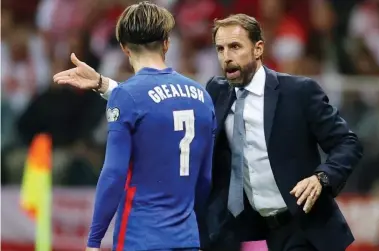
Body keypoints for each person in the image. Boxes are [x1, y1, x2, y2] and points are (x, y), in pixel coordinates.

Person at [54, 13, 363, 251]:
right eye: (220, 48)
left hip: (303, 223)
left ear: (258, 49)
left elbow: (347, 143)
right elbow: (162, 104)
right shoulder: (215, 92)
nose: (226, 56)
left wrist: (322, 177)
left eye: (235, 47)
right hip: (246, 226)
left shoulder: (299, 92)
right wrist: (104, 85)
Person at [58, 2, 216, 251]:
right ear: (166, 43)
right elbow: (206, 178)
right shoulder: (202, 96)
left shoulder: (127, 97)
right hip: (187, 238)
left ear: (123, 47)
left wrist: (93, 241)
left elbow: (113, 174)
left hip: (140, 238)